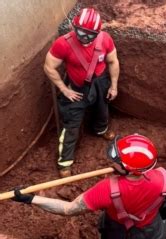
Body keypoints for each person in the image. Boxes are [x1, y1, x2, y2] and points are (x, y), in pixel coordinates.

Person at [12, 134, 166, 239]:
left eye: (116, 161)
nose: (111, 161)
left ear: (130, 170)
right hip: (150, 234)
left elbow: (68, 209)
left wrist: (31, 199)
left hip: (114, 230)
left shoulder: (107, 189)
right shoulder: (164, 179)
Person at [44, 7, 120, 177]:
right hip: (76, 88)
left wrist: (113, 86)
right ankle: (65, 162)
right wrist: (64, 89)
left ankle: (100, 130)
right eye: (81, 32)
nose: (85, 37)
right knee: (71, 123)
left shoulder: (105, 40)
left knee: (102, 110)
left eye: (90, 34)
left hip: (100, 82)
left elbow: (113, 62)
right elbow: (49, 67)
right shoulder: (63, 44)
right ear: (73, 27)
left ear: (98, 32)